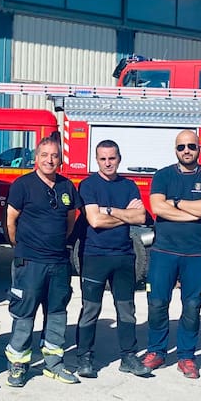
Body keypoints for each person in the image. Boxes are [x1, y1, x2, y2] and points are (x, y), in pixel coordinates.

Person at [143, 129, 201, 380]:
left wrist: (175, 204)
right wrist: (193, 212)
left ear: (199, 149)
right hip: (164, 251)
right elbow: (157, 207)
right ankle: (156, 351)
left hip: (196, 254)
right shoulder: (163, 176)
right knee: (157, 303)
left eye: (191, 146)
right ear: (175, 150)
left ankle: (187, 356)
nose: (186, 150)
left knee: (191, 306)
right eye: (181, 147)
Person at [3, 134, 81, 387]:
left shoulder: (67, 186)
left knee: (57, 314)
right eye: (45, 155)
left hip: (58, 263)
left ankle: (54, 364)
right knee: (24, 314)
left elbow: (70, 221)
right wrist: (23, 248)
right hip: (30, 263)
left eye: (54, 156)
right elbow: (10, 221)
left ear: (60, 159)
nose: (50, 160)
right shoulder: (22, 185)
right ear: (36, 158)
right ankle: (18, 364)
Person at [74, 140, 150, 378]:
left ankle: (128, 357)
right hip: (95, 256)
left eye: (112, 158)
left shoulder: (129, 186)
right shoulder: (88, 185)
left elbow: (141, 217)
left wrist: (109, 210)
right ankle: (84, 358)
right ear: (96, 160)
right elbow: (94, 221)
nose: (108, 163)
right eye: (103, 158)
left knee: (127, 310)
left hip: (124, 256)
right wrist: (125, 214)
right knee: (90, 309)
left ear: (119, 158)